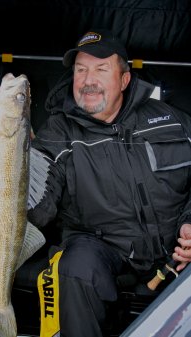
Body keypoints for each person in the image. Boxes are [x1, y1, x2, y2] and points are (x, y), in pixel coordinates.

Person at [27, 29, 191, 337]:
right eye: (81, 70)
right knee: (74, 268)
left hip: (176, 252)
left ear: (125, 79)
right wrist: (6, 202)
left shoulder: (172, 120)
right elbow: (37, 203)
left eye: (101, 69)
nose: (89, 80)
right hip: (103, 249)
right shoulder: (56, 133)